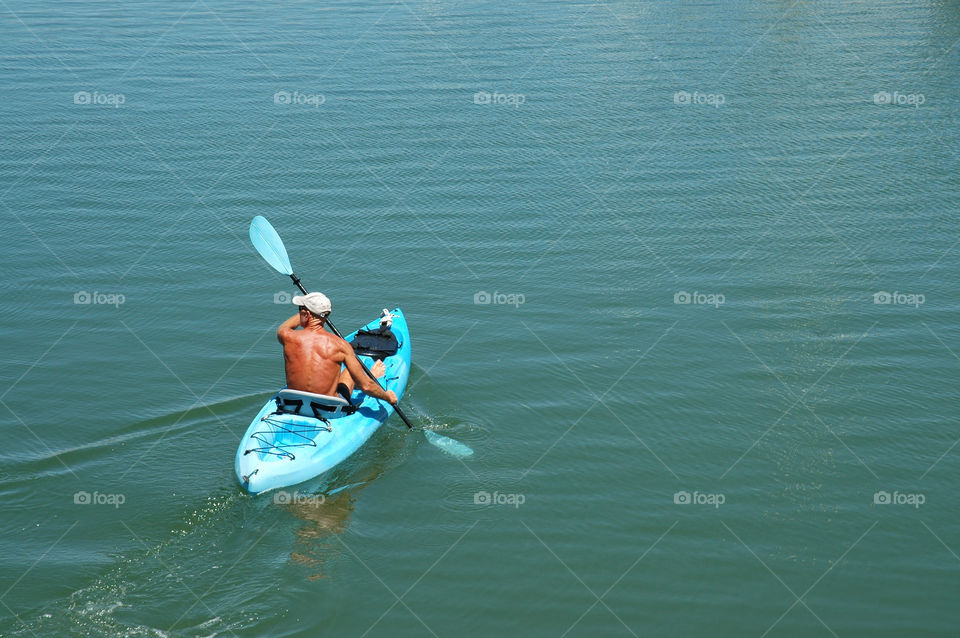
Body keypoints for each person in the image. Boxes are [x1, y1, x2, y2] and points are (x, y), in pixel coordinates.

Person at [277, 292, 398, 406]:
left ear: (306, 314)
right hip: (327, 410)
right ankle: (373, 375)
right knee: (349, 373)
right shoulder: (341, 346)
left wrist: (305, 313)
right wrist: (388, 397)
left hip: (291, 404)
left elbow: (284, 327)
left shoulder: (287, 336)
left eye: (300, 310)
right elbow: (366, 387)